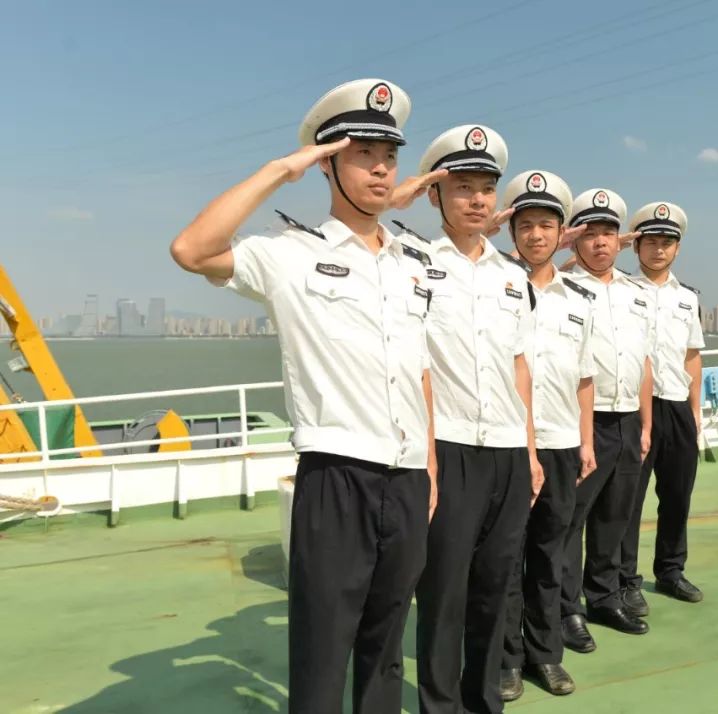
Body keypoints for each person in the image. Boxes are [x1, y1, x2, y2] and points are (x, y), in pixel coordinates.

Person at [169, 78, 444, 714]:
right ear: (327, 163)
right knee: (323, 652)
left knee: (385, 647)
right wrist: (280, 169)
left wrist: (429, 464)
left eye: (389, 155)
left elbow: (418, 367)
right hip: (337, 476)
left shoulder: (411, 261)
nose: (380, 168)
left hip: (408, 479)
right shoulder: (290, 255)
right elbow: (191, 249)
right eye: (362, 154)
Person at [412, 125, 544, 714]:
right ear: (435, 194)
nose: (477, 200)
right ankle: (440, 705)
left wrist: (532, 453)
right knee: (443, 591)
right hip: (449, 447)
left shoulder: (512, 276)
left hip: (509, 452)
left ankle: (485, 700)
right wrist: (427, 460)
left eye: (486, 188)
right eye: (462, 187)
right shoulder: (413, 265)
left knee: (496, 585)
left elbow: (520, 368)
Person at [496, 171, 597, 701]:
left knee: (549, 555)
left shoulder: (578, 298)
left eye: (545, 225)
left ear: (562, 234)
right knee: (505, 555)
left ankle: (545, 654)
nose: (535, 235)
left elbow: (585, 379)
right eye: (525, 225)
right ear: (511, 231)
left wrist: (586, 442)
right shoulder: (494, 284)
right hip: (509, 444)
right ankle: (506, 659)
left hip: (560, 443)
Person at [558, 188, 654, 654]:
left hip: (628, 419)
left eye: (608, 233)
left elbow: (645, 362)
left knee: (616, 515)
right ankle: (565, 610)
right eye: (590, 233)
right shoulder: (559, 287)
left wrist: (647, 425)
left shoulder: (637, 294)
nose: (599, 242)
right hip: (585, 420)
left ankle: (603, 597)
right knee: (571, 520)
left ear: (621, 240)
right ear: (574, 239)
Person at [620, 201, 706, 611]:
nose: (658, 249)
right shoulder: (620, 291)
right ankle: (625, 578)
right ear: (635, 246)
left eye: (667, 242)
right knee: (628, 499)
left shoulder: (688, 298)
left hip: (676, 406)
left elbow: (692, 356)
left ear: (677, 248)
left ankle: (671, 571)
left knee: (677, 496)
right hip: (634, 408)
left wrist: (696, 411)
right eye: (650, 241)